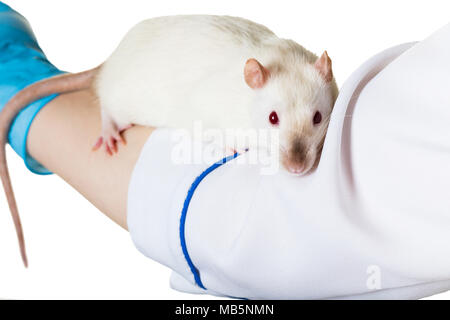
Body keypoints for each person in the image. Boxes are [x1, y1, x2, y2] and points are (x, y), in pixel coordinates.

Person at [2, 2, 450, 299]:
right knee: (125, 98)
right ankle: (65, 108)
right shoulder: (260, 92)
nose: (297, 158)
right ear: (253, 81)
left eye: (317, 120)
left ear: (324, 75)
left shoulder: (314, 88)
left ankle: (29, 99)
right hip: (148, 70)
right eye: (274, 122)